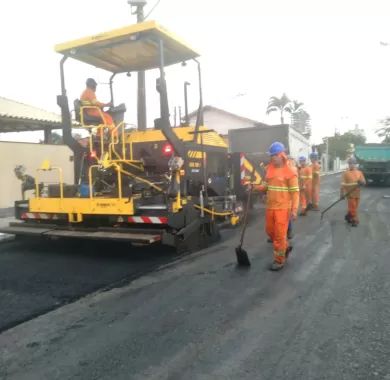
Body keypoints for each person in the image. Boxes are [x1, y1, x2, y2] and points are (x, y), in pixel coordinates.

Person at [252, 142, 299, 271]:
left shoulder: (290, 172)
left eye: (274, 155)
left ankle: (279, 260)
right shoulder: (270, 169)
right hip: (270, 207)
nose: (272, 158)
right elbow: (267, 186)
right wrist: (255, 188)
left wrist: (294, 210)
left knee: (279, 235)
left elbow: (295, 193)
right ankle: (285, 247)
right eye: (271, 155)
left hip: (283, 209)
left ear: (281, 155)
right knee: (270, 231)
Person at [341, 156, 366, 227]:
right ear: (348, 164)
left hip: (357, 194)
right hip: (350, 194)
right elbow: (342, 185)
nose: (351, 165)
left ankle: (349, 216)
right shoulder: (345, 173)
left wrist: (361, 182)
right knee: (353, 207)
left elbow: (364, 182)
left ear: (355, 164)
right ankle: (355, 220)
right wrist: (341, 194)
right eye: (350, 163)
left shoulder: (359, 173)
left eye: (353, 163)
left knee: (354, 207)